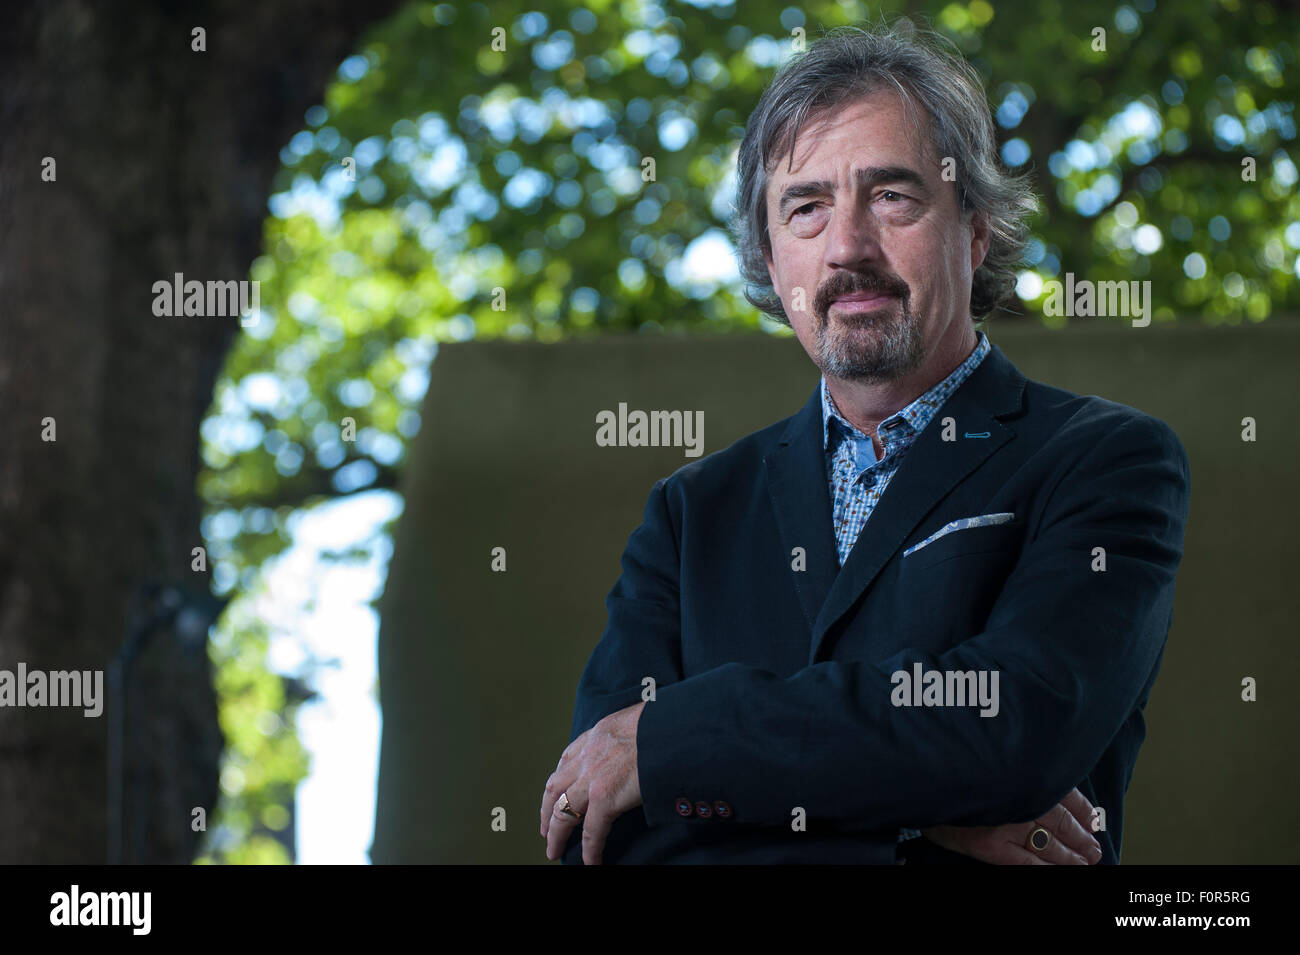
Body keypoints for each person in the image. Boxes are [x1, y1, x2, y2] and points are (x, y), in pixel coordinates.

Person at [539, 21, 1190, 865]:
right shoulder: (690, 514)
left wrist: (676, 746)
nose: (847, 246)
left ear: (976, 229)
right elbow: (602, 828)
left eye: (892, 197)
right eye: (805, 208)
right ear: (772, 262)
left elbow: (1013, 730)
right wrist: (916, 819)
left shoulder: (1108, 461)